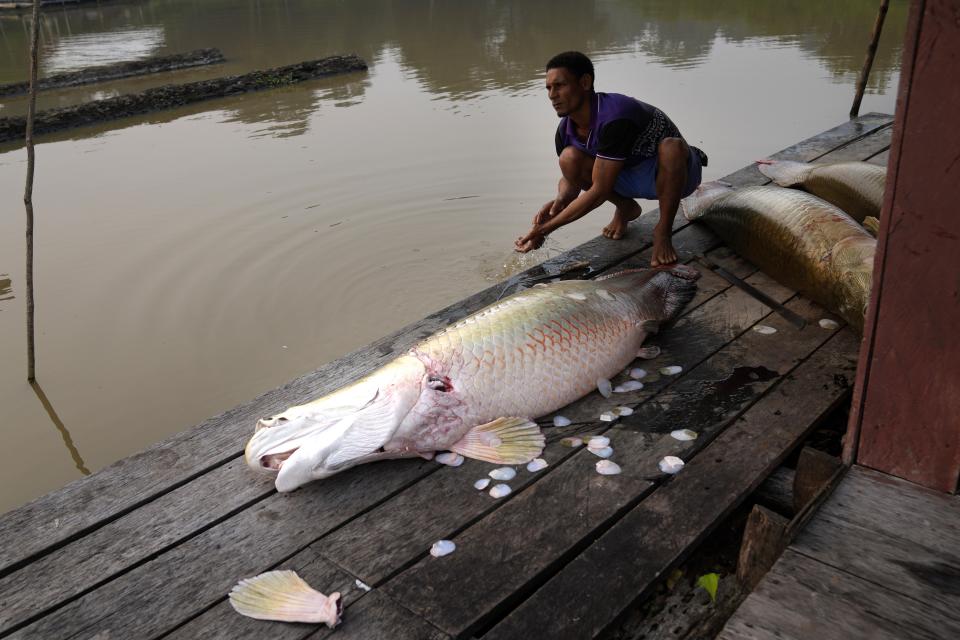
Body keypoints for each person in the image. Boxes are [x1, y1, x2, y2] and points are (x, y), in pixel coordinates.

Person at [515, 51, 706, 267]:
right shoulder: (565, 131)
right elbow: (571, 180)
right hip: (625, 173)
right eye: (548, 88)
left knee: (672, 148)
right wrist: (557, 203)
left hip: (677, 175)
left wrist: (545, 230)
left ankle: (662, 232)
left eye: (559, 85)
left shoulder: (616, 116)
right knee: (569, 158)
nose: (552, 95)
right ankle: (625, 208)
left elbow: (599, 191)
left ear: (585, 83)